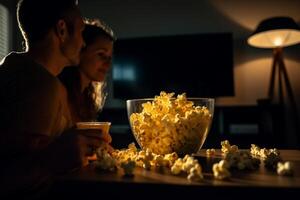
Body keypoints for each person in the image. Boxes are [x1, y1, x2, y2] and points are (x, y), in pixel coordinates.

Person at [0, 0, 110, 198]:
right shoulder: (39, 85)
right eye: (80, 32)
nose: (83, 43)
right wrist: (52, 159)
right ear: (62, 30)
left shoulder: (14, 70)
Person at [58, 18, 116, 123]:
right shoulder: (59, 93)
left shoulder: (86, 98)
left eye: (109, 57)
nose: (108, 64)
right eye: (101, 54)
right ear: (80, 51)